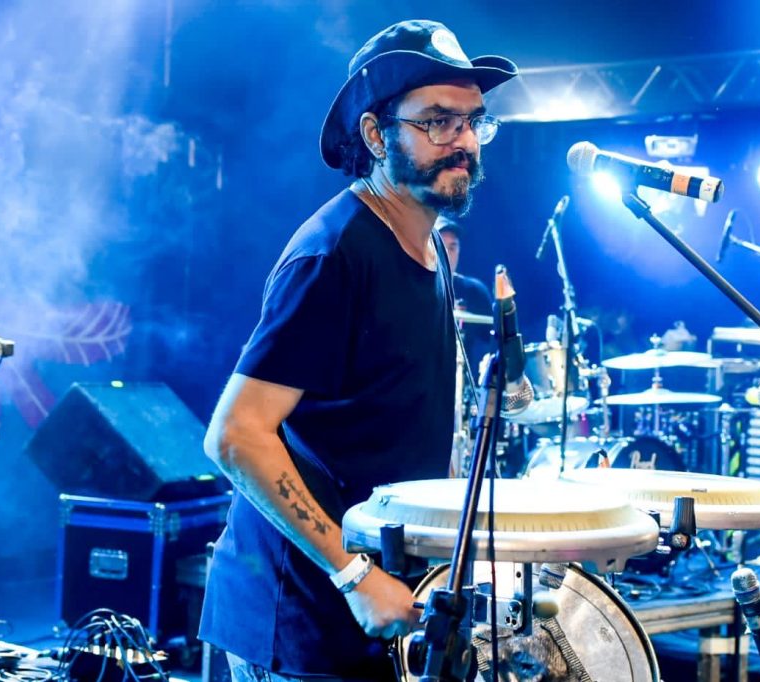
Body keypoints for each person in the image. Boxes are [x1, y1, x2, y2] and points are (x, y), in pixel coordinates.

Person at [199, 20, 516, 681]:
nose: (463, 142)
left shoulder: (429, 247)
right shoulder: (334, 257)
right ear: (375, 135)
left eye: (471, 122)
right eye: (438, 122)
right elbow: (235, 436)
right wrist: (352, 573)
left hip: (368, 610)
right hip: (299, 620)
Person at [436, 215, 493, 368]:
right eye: (441, 247)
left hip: (464, 378)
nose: (447, 254)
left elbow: (494, 341)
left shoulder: (474, 291)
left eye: (452, 248)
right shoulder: (414, 288)